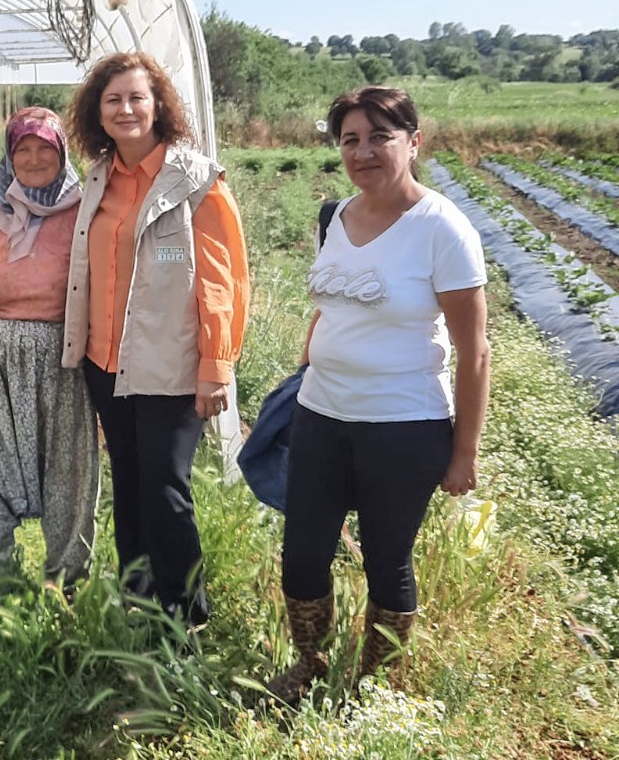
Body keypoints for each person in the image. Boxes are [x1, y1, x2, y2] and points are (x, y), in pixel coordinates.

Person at [267, 86, 489, 704]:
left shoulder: (442, 229)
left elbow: (475, 350)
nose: (363, 151)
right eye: (350, 140)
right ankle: (309, 664)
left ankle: (372, 684)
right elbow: (329, 306)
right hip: (321, 416)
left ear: (413, 142)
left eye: (379, 137)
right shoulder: (333, 218)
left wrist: (464, 452)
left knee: (386, 558)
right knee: (303, 552)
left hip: (403, 426)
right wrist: (307, 367)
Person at [62, 52, 250, 627]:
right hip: (106, 362)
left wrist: (216, 365)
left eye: (136, 97)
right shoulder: (97, 180)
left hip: (169, 363)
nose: (125, 109)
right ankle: (138, 601)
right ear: (98, 111)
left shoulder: (196, 181)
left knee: (166, 490)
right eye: (113, 99)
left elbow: (224, 279)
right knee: (130, 482)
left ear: (158, 105)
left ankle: (187, 617)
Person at [0, 107, 100, 585]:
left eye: (44, 148)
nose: (32, 159)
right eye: (21, 149)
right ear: (9, 156)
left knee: (68, 470)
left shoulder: (85, 213)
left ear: (62, 152)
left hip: (60, 360)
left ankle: (67, 579)